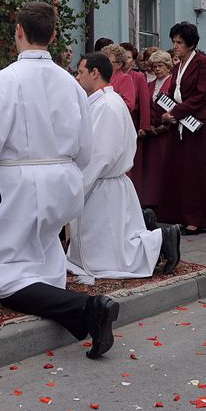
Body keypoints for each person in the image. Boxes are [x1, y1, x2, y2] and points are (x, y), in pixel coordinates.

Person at [0, 1, 120, 359]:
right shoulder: (72, 84)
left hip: (18, 183)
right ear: (54, 34)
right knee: (45, 254)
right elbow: (86, 147)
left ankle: (87, 309)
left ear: (18, 31)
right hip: (61, 178)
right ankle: (62, 298)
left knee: (5, 275)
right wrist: (66, 175)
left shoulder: (1, 82)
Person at [68, 52, 180, 282]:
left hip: (102, 182)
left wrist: (78, 185)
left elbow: (101, 154)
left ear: (95, 73)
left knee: (114, 252)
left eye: (80, 72)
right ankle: (151, 229)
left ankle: (161, 239)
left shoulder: (107, 106)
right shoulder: (103, 102)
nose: (77, 78)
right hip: (106, 183)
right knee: (110, 242)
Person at [154, 22, 206, 235]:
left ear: (190, 44)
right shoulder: (177, 66)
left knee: (195, 172)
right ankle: (180, 215)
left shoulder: (203, 63)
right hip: (178, 125)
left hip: (195, 124)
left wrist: (175, 112)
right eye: (174, 42)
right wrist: (164, 111)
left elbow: (201, 96)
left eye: (180, 42)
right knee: (178, 171)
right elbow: (173, 93)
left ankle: (198, 218)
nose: (175, 46)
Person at [140, 49, 173, 211]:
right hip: (152, 132)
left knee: (164, 167)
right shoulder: (149, 84)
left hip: (167, 131)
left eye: (160, 66)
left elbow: (177, 107)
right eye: (155, 66)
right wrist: (148, 125)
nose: (157, 69)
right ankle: (151, 201)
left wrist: (164, 127)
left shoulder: (173, 84)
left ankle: (166, 202)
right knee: (151, 168)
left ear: (168, 66)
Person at [119, 42, 152, 200]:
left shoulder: (138, 77)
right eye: (123, 57)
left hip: (134, 120)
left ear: (133, 60)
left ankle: (136, 197)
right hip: (119, 122)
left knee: (134, 162)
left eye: (129, 57)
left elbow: (145, 102)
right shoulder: (113, 75)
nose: (126, 60)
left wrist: (144, 125)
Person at [100, 43, 136, 112]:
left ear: (119, 65)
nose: (103, 64)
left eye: (107, 61)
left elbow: (129, 105)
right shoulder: (101, 77)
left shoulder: (125, 78)